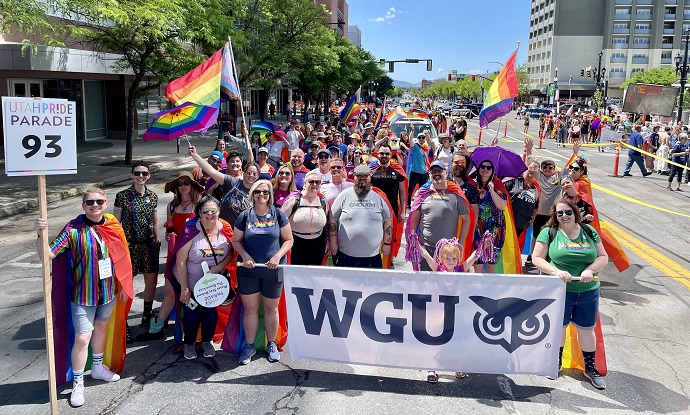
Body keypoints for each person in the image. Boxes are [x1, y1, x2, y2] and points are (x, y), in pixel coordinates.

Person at [34, 188, 132, 407]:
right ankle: (78, 382)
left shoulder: (113, 226)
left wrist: (126, 285)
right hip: (82, 294)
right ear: (83, 205)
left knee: (102, 328)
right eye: (90, 202)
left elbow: (123, 257)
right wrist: (40, 234)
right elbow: (47, 255)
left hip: (108, 291)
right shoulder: (72, 229)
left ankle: (97, 368)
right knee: (82, 337)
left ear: (105, 203)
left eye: (98, 201)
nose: (94, 205)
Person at [531, 199, 609, 390]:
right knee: (559, 327)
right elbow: (537, 258)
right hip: (560, 290)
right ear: (555, 216)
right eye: (559, 213)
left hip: (588, 291)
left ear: (575, 212)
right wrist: (555, 272)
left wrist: (590, 270)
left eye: (567, 212)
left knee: (586, 329)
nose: (564, 216)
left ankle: (590, 368)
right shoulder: (549, 232)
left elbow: (603, 257)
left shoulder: (589, 231)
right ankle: (555, 362)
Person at [232, 180, 293, 365]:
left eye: (265, 192)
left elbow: (288, 240)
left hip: (273, 270)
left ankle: (271, 344)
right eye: (258, 191)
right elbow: (236, 242)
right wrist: (245, 256)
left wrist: (277, 257)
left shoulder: (279, 214)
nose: (261, 195)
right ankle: (249, 346)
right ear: (252, 194)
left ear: (270, 195)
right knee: (250, 310)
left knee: (271, 308)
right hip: (249, 270)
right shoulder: (244, 216)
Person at [140, 171, 204, 341]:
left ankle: (195, 331)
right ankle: (157, 328)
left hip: (193, 255)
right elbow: (171, 228)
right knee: (169, 290)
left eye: (186, 183)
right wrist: (169, 232)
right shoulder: (172, 206)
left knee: (192, 291)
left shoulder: (199, 205)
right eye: (180, 184)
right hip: (173, 253)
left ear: (193, 185)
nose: (183, 186)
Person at [175, 196, 234, 360]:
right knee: (192, 314)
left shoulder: (226, 228)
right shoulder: (191, 230)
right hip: (192, 281)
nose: (210, 214)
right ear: (199, 213)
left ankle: (207, 341)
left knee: (210, 315)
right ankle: (189, 343)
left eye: (213, 211)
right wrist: (184, 288)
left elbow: (230, 253)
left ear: (219, 211)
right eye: (205, 211)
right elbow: (180, 262)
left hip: (214, 283)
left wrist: (219, 267)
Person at [419, 238, 478, 383]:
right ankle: (431, 367)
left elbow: (473, 257)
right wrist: (416, 244)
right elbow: (426, 255)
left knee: (456, 339)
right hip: (439, 311)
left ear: (458, 259)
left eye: (454, 258)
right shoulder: (437, 268)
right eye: (447, 258)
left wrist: (483, 246)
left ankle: (456, 364)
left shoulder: (460, 269)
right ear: (441, 258)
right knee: (436, 339)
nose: (451, 261)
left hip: (456, 311)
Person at [113, 161, 160, 342]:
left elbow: (155, 222)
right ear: (132, 175)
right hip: (129, 246)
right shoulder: (122, 196)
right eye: (137, 173)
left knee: (151, 282)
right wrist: (117, 248)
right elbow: (116, 225)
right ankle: (122, 322)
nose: (141, 176)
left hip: (148, 245)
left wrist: (156, 241)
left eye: (144, 174)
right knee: (125, 286)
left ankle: (147, 315)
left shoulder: (153, 196)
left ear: (149, 175)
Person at [407, 160, 473, 271]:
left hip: (448, 251)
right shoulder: (422, 193)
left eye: (439, 170)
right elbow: (414, 218)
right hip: (426, 248)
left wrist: (460, 244)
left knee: (445, 285)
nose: (436, 173)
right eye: (433, 171)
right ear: (429, 174)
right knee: (426, 283)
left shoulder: (456, 193)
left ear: (446, 173)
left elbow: (466, 220)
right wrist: (414, 241)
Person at [329, 164, 392, 268]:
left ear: (370, 177)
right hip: (345, 254)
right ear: (353, 177)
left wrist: (387, 243)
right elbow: (332, 220)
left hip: (373, 256)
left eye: (365, 176)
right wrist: (333, 242)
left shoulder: (378, 197)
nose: (362, 179)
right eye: (358, 176)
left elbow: (387, 221)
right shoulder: (344, 196)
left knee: (373, 284)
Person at [188, 145, 259, 228]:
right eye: (249, 173)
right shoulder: (232, 182)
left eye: (254, 174)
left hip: (243, 233)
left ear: (258, 176)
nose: (251, 175)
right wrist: (195, 155)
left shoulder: (258, 192)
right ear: (244, 172)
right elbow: (211, 171)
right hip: (224, 230)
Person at [282, 172, 330, 265]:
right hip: (296, 243)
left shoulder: (323, 201)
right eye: (311, 182)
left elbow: (327, 223)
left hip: (318, 243)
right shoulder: (293, 200)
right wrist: (286, 243)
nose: (314, 185)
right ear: (305, 183)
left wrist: (327, 240)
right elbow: (282, 223)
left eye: (317, 182)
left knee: (313, 275)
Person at [471, 159, 507, 273]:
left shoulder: (498, 187)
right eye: (482, 166)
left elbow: (502, 206)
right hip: (477, 229)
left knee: (491, 264)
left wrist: (492, 191)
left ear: (492, 171)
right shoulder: (472, 187)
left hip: (495, 230)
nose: (485, 169)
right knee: (478, 263)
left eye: (489, 168)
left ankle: (488, 290)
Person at [370, 143, 407, 222]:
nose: (384, 155)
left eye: (387, 154)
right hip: (374, 209)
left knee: (390, 233)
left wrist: (403, 212)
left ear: (391, 155)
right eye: (381, 153)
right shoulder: (371, 169)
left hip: (392, 209)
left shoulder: (397, 169)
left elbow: (402, 191)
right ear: (378, 154)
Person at [504, 158, 540, 237]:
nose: (533, 170)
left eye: (536, 168)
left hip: (521, 224)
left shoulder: (535, 189)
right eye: (531, 167)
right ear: (526, 167)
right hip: (507, 221)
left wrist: (532, 220)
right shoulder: (514, 181)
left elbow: (535, 207)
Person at [407, 133, 430, 209]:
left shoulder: (425, 148)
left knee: (422, 191)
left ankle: (420, 204)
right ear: (417, 139)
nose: (421, 139)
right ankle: (408, 204)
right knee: (410, 190)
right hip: (415, 173)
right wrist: (412, 131)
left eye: (423, 138)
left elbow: (425, 160)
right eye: (419, 138)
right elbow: (410, 141)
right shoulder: (415, 146)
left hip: (424, 173)